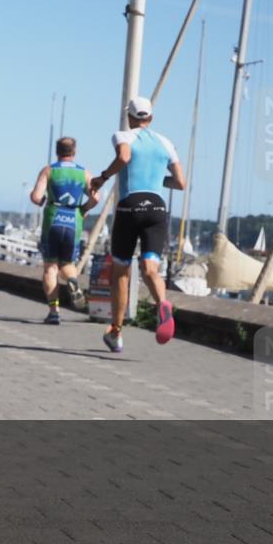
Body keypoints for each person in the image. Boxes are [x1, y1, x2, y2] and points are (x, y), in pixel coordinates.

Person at [90, 96, 185, 353]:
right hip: (156, 207)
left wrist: (103, 177)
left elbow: (124, 157)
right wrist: (156, 182)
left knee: (121, 271)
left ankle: (116, 331)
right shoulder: (166, 143)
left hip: (130, 206)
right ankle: (163, 304)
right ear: (150, 118)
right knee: (150, 268)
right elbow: (180, 182)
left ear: (130, 118)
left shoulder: (123, 136)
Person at [30, 137, 98, 324]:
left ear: (57, 151)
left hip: (53, 218)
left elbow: (36, 196)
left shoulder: (49, 170)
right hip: (73, 221)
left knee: (50, 267)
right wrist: (83, 209)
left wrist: (45, 202)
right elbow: (96, 198)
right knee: (67, 264)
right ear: (74, 151)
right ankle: (73, 281)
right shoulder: (84, 173)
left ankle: (54, 312)